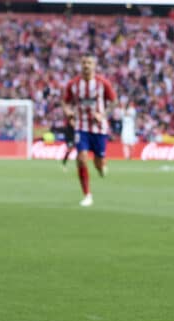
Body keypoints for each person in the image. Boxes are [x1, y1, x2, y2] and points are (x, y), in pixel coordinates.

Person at [63, 54, 117, 207]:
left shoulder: (102, 83)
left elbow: (114, 102)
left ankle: (101, 166)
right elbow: (65, 102)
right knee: (81, 158)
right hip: (81, 127)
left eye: (89, 63)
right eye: (84, 63)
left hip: (99, 129)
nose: (86, 65)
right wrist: (68, 112)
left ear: (94, 66)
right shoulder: (73, 84)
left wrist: (103, 115)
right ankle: (87, 195)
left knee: (99, 163)